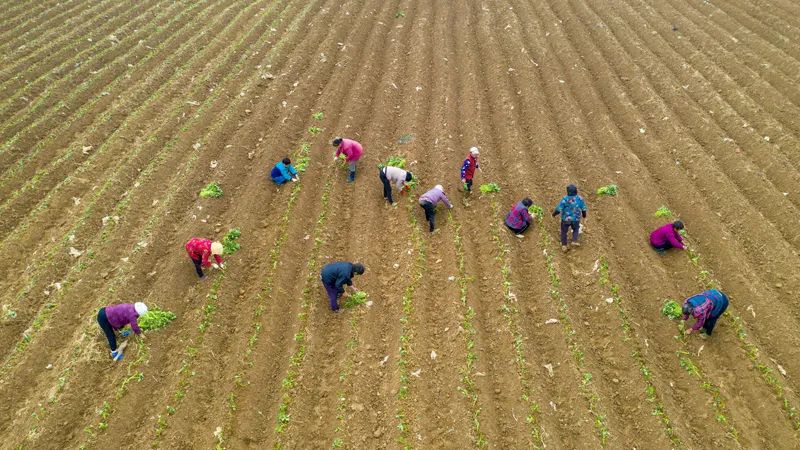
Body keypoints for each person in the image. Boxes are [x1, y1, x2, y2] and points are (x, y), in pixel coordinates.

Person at [552, 184, 587, 252]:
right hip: (576, 219)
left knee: (564, 232)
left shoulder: (565, 199)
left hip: (565, 219)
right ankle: (574, 240)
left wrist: (554, 214)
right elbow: (583, 208)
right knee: (576, 229)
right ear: (576, 191)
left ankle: (564, 245)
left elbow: (558, 209)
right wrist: (584, 216)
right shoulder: (579, 198)